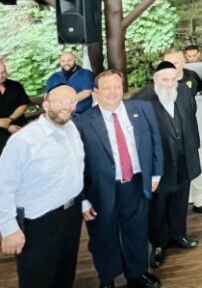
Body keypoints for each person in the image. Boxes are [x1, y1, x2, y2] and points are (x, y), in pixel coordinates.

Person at [74, 70, 162, 288]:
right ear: (95, 92)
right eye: (107, 88)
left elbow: (156, 142)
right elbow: (76, 165)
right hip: (100, 189)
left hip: (136, 182)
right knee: (103, 236)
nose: (113, 92)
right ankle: (107, 279)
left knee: (137, 231)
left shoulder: (142, 109)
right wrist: (82, 199)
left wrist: (156, 173)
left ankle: (137, 273)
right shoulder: (82, 122)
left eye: (117, 86)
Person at [0, 85, 84, 288]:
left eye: (71, 101)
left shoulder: (71, 128)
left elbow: (76, 168)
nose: (66, 106)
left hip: (71, 214)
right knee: (38, 278)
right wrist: (9, 228)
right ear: (45, 105)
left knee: (65, 272)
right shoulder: (23, 141)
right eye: (60, 101)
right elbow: (4, 186)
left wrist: (84, 203)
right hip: (39, 222)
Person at [133, 62, 202, 269]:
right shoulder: (142, 98)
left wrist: (195, 147)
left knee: (180, 200)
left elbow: (191, 119)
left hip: (183, 157)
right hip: (159, 164)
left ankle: (178, 235)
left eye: (173, 79)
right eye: (165, 80)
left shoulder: (184, 92)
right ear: (155, 80)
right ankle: (158, 245)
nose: (170, 84)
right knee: (158, 206)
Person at [162, 49, 202, 216]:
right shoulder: (160, 82)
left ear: (183, 62)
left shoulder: (191, 76)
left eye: (175, 62)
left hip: (191, 132)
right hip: (169, 135)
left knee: (197, 166)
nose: (171, 66)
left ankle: (200, 201)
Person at [0, 61, 29, 154]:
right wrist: (8, 126)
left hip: (19, 124)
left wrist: (10, 119)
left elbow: (24, 104)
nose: (1, 75)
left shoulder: (16, 85)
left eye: (3, 72)